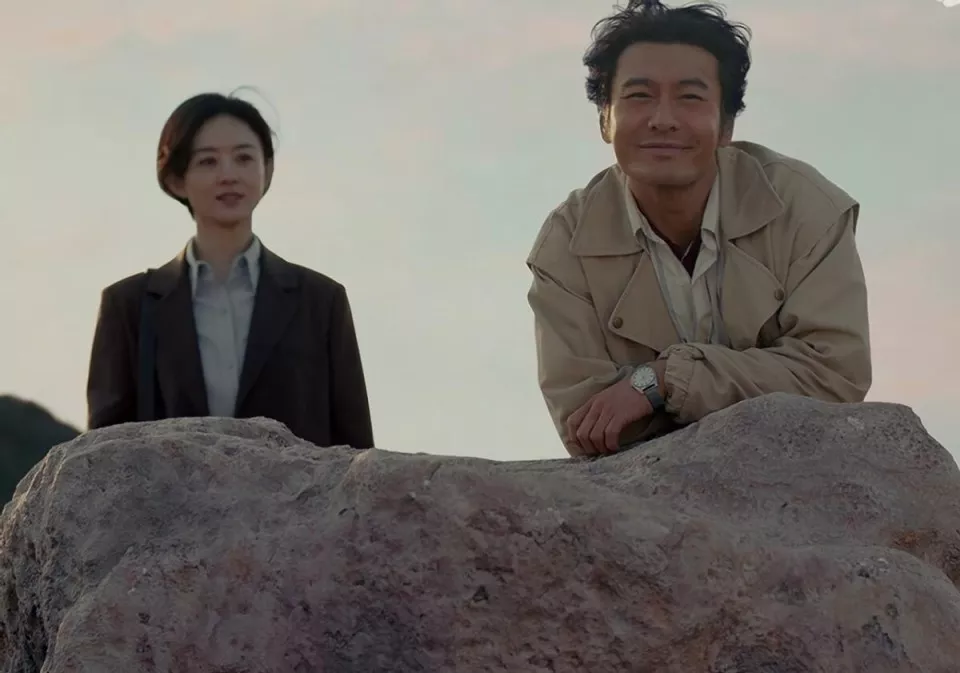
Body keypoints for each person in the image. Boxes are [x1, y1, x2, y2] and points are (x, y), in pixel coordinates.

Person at [526, 0, 871, 457]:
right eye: (639, 96)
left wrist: (663, 381)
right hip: (643, 491)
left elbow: (835, 377)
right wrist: (758, 381)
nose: (663, 119)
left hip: (800, 469)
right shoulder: (566, 244)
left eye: (690, 97)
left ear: (726, 125)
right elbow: (588, 424)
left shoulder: (804, 208)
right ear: (605, 119)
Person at [86, 92, 374, 449]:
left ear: (267, 170)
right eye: (207, 161)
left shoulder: (321, 301)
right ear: (177, 179)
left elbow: (357, 454)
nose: (228, 175)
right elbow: (102, 455)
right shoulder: (128, 306)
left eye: (244, 158)